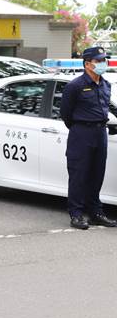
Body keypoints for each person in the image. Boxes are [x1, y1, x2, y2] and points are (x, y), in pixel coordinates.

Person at [60, 46, 117, 230]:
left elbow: (105, 109)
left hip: (101, 133)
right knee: (78, 175)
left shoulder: (106, 85)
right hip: (81, 133)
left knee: (96, 174)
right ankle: (76, 214)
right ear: (87, 64)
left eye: (103, 60)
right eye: (98, 61)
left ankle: (95, 213)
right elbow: (65, 114)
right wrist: (80, 127)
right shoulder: (74, 86)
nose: (103, 64)